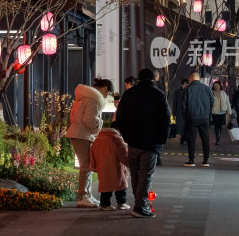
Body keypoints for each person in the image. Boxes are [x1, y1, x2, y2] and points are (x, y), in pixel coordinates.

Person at [114, 68, 170, 218]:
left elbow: (120, 116)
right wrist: (162, 140)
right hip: (151, 142)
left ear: (138, 79)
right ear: (153, 80)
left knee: (135, 173)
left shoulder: (129, 94)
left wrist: (126, 135)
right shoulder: (158, 95)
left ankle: (139, 203)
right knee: (146, 174)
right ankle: (140, 206)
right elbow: (166, 119)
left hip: (132, 141)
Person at [66, 78, 112, 208]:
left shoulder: (85, 96)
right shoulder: (94, 98)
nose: (107, 96)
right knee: (86, 166)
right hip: (82, 134)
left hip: (79, 133)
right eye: (108, 92)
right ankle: (82, 197)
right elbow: (89, 119)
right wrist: (99, 126)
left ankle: (87, 195)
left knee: (88, 165)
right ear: (104, 88)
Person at [89, 123, 131, 211]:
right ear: (118, 129)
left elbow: (92, 153)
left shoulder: (97, 139)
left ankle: (105, 204)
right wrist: (129, 163)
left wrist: (94, 166)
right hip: (116, 166)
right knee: (121, 185)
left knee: (105, 186)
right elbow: (123, 153)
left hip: (102, 167)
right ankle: (121, 203)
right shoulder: (117, 138)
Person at [182, 72, 214, 167]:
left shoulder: (187, 89)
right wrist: (207, 111)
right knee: (205, 139)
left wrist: (185, 117)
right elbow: (212, 100)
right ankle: (205, 160)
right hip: (204, 117)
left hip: (192, 118)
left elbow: (183, 105)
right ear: (199, 79)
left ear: (190, 79)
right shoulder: (206, 88)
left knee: (191, 139)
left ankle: (191, 160)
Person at [211, 81, 231, 145]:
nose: (216, 87)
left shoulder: (223, 93)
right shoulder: (211, 93)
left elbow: (227, 102)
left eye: (217, 86)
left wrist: (229, 111)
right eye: (215, 86)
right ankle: (218, 139)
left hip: (222, 112)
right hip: (215, 112)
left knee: (220, 126)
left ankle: (219, 136)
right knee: (216, 125)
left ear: (220, 86)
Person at [171, 79, 189, 145]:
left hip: (187, 111)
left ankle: (185, 138)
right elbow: (174, 103)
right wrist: (174, 113)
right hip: (180, 111)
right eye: (185, 84)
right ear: (182, 84)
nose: (186, 86)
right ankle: (182, 138)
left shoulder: (189, 91)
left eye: (187, 84)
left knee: (186, 126)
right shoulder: (177, 92)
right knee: (181, 126)